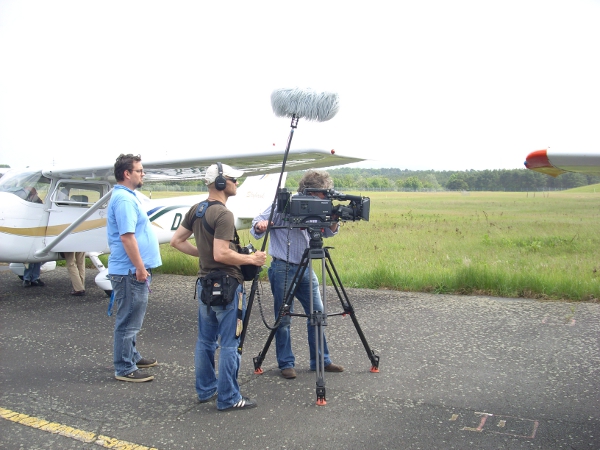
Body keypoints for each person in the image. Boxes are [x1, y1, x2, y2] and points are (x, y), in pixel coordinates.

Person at [170, 162, 266, 411]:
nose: (237, 183)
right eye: (233, 179)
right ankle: (229, 398)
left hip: (205, 284)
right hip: (228, 286)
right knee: (230, 343)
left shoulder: (197, 209)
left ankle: (206, 390)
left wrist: (203, 254)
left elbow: (176, 241)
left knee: (205, 341)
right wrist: (251, 259)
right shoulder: (224, 214)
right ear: (222, 183)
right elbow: (222, 253)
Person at [251, 170, 345, 379]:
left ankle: (321, 360)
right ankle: (286, 363)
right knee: (284, 318)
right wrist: (260, 225)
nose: (325, 197)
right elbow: (256, 223)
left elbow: (328, 231)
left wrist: (334, 219)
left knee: (318, 314)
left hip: (306, 268)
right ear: (310, 191)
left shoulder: (321, 206)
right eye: (322, 193)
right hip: (283, 268)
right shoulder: (284, 204)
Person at [107, 154, 162, 383]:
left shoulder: (127, 197)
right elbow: (127, 237)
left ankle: (131, 355)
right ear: (127, 173)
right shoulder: (124, 200)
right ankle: (124, 367)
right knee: (128, 320)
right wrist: (140, 267)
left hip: (131, 270)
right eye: (139, 170)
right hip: (130, 272)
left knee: (133, 319)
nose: (143, 174)